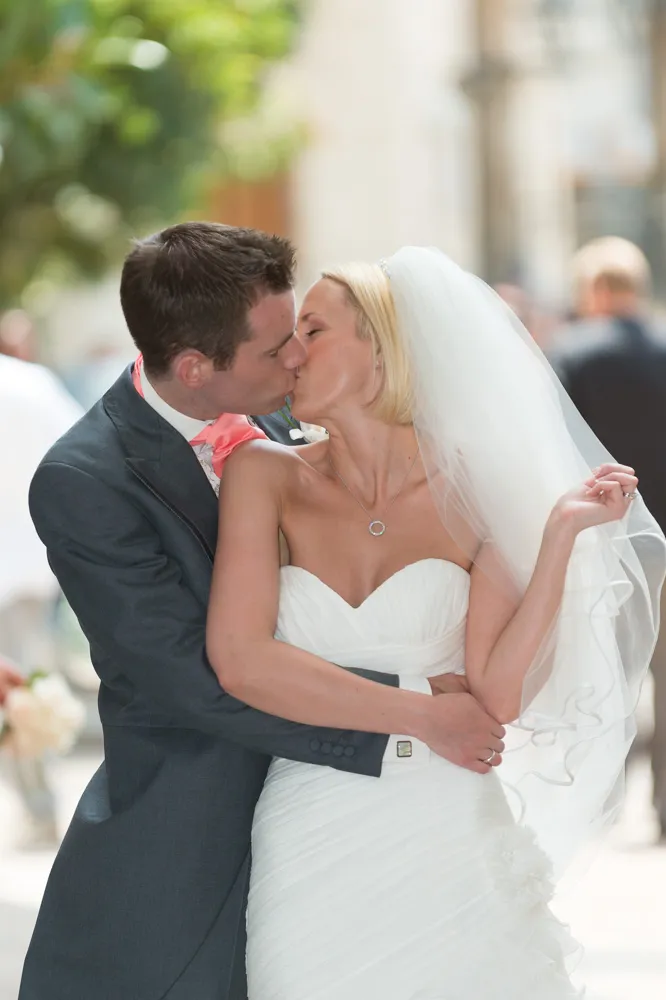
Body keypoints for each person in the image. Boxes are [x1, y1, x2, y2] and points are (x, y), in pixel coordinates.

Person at [20, 224, 504, 1000]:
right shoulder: (85, 478)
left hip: (362, 824)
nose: (298, 358)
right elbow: (190, 680)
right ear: (193, 367)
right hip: (194, 831)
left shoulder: (290, 415)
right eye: (278, 347)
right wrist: (412, 711)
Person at [207, 247, 665, 998]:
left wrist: (554, 542)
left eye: (313, 331)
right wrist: (424, 713)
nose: (289, 353)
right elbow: (241, 661)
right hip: (307, 823)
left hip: (446, 829)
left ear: (384, 352)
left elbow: (495, 697)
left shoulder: (473, 486)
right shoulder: (260, 474)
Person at [550, 236, 666, 840]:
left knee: (605, 672)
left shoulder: (570, 351)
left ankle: (603, 801)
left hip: (605, 543)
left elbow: (553, 446)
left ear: (593, 290)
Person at [0, 351, 83, 845]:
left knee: (20, 691)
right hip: (31, 563)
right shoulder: (34, 384)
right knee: (26, 690)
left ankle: (39, 806)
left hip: (23, 564)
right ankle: (40, 805)